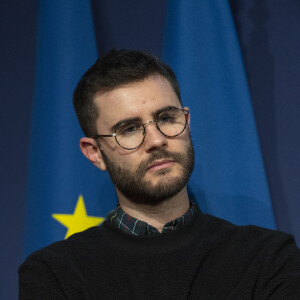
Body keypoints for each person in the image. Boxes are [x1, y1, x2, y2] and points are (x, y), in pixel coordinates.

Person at [19, 50, 300, 299]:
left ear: (186, 122)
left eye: (166, 118)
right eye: (129, 129)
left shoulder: (268, 258)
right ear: (95, 153)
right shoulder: (53, 274)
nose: (156, 140)